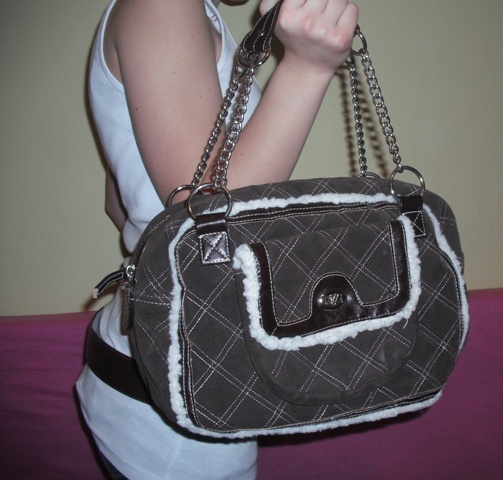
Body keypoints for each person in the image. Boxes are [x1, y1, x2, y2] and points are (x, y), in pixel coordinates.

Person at [75, 0, 359, 478]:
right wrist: (309, 66)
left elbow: (121, 204)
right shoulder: (164, 8)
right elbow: (211, 216)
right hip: (178, 402)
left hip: (167, 367)